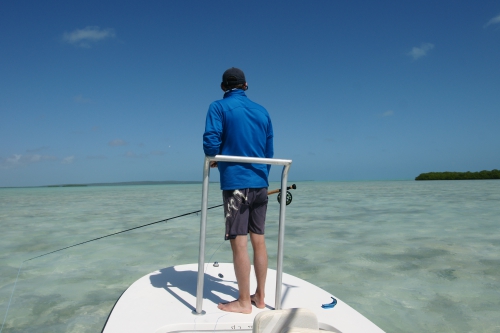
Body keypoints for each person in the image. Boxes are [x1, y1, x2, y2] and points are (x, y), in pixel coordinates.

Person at [203, 67, 274, 314]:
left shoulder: (218, 107)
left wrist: (216, 158)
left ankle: (244, 302)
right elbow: (269, 152)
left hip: (236, 184)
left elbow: (210, 142)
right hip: (261, 182)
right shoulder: (262, 111)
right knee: (259, 241)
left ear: (223, 87)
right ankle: (261, 297)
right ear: (246, 85)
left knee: (239, 244)